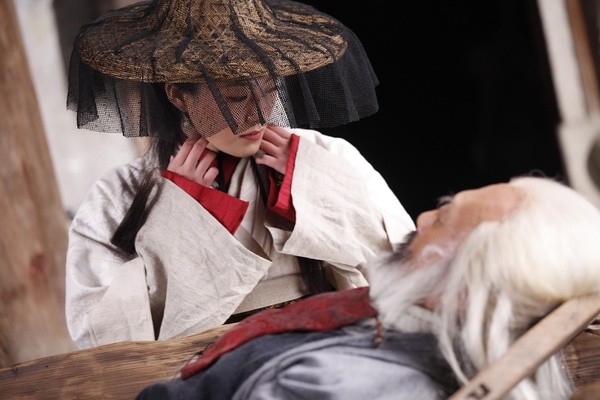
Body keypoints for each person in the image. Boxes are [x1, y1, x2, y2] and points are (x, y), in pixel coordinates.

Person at [64, 0, 415, 349]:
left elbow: (407, 263)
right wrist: (180, 223)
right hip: (202, 359)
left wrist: (312, 186)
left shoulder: (325, 154)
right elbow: (97, 332)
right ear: (178, 96)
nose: (257, 115)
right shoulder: (118, 193)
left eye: (269, 92)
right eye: (234, 98)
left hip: (331, 342)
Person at [135, 175, 600, 400]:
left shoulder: (340, 387)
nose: (422, 219)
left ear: (464, 288)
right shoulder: (403, 325)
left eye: (444, 219)